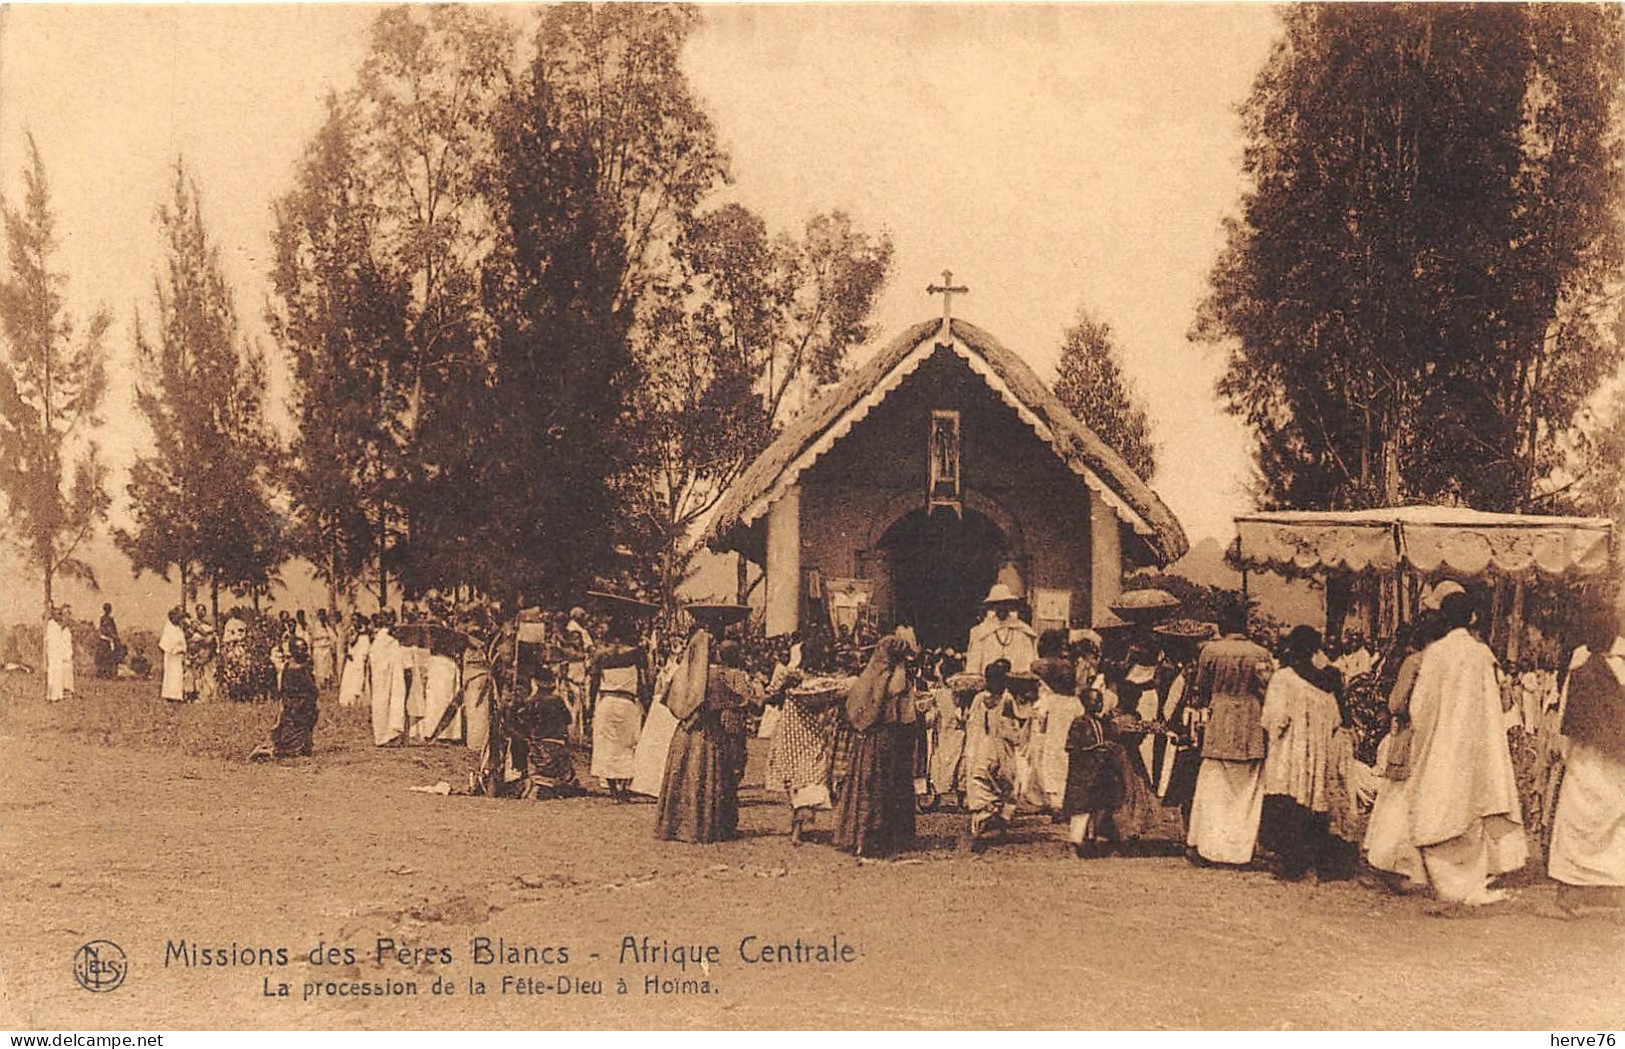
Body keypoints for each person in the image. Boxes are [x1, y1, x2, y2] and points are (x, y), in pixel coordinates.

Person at [1405, 590, 1527, 907]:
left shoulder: (1436, 653)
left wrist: (1426, 734)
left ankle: (1447, 886)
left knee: (1440, 807)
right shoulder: (1481, 654)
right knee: (1472, 807)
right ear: (1472, 617)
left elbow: (1419, 706)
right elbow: (1498, 704)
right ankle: (1472, 885)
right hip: (1476, 745)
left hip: (1443, 744)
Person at [1544, 599, 1625, 918]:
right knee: (1613, 821)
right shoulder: (1590, 660)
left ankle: (1571, 894)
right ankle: (1587, 894)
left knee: (1579, 822)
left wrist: (1561, 748)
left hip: (1593, 754)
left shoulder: (1584, 661)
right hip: (1608, 755)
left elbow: (1566, 709)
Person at [655, 608, 758, 843]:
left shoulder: (683, 675)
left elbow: (667, 699)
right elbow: (738, 700)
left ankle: (676, 826)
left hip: (684, 733)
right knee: (707, 778)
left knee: (682, 777)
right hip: (708, 733)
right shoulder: (715, 676)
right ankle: (702, 827)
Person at [1363, 613, 1446, 892]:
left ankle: (1394, 864)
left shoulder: (1416, 662)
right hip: (1441, 740)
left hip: (1412, 735)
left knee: (1399, 801)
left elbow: (1396, 702)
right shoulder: (1452, 663)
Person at [1184, 618, 1273, 866]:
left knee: (1213, 782)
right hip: (1250, 719)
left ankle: (1206, 845)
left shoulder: (1210, 651)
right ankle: (1239, 849)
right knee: (1248, 785)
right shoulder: (1260, 652)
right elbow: (1268, 689)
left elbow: (1201, 687)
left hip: (1220, 717)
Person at [1258, 626, 1345, 881]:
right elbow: (1336, 720)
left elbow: (1276, 719)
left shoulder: (1284, 678)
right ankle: (1313, 864)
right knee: (1312, 803)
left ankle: (1292, 864)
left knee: (1287, 803)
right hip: (1316, 752)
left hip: (1290, 749)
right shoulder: (1327, 681)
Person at [832, 632, 920, 857]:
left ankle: (860, 837)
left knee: (865, 784)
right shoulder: (895, 678)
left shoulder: (869, 676)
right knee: (883, 784)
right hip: (886, 738)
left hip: (866, 739)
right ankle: (877, 838)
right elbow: (903, 711)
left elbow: (858, 709)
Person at [765, 634, 845, 843]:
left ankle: (798, 825)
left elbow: (771, 693)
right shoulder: (823, 682)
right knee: (812, 774)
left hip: (790, 734)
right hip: (811, 734)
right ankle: (799, 823)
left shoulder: (793, 676)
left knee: (797, 778)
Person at [965, 663, 1038, 844]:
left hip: (980, 748)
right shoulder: (1006, 699)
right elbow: (1012, 727)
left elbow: (971, 722)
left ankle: (984, 815)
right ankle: (999, 818)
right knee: (1008, 784)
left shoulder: (979, 698)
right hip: (999, 750)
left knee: (980, 782)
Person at [589, 615, 651, 801]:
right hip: (627, 702)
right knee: (628, 744)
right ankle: (624, 787)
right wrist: (647, 706)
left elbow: (594, 682)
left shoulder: (601, 654)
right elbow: (643, 683)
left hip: (606, 701)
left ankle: (613, 788)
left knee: (606, 745)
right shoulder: (637, 652)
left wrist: (590, 706)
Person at [1027, 656, 1083, 812]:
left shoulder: (1051, 701)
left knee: (1051, 770)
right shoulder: (1076, 702)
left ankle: (1055, 804)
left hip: (1053, 740)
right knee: (1064, 770)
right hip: (1069, 742)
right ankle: (1061, 803)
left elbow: (1041, 718)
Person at [253, 637, 319, 760]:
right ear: (293, 651)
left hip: (302, 706)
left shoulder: (294, 665)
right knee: (291, 748)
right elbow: (306, 687)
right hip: (297, 706)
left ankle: (297, 746)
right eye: (301, 650)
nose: (304, 652)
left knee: (303, 734)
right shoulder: (296, 668)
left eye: (305, 649)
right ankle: (270, 752)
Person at [965, 584, 1038, 676]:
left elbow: (1028, 664)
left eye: (1005, 603)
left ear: (1009, 605)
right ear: (992, 606)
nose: (1002, 607)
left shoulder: (1022, 631)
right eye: (997, 604)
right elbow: (973, 667)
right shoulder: (980, 632)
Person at [369, 611, 408, 746]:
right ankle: (382, 736)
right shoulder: (381, 638)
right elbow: (376, 661)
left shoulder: (395, 638)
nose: (390, 620)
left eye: (392, 617)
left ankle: (394, 734)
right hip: (382, 677)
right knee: (382, 701)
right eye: (386, 617)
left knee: (396, 699)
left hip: (395, 675)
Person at [338, 612, 371, 708]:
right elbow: (351, 643)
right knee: (351, 678)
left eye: (356, 620)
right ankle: (349, 699)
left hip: (361, 657)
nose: (354, 622)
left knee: (361, 677)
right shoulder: (352, 630)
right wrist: (357, 633)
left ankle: (360, 699)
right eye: (352, 620)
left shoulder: (364, 631)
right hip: (353, 657)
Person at [44, 605, 75, 702]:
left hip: (58, 654)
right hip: (53, 654)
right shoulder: (51, 625)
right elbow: (52, 641)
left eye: (60, 614)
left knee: (60, 674)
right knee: (54, 674)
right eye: (57, 614)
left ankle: (60, 694)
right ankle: (53, 695)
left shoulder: (60, 627)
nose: (59, 616)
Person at [159, 607, 188, 703]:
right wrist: (175, 650)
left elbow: (182, 642)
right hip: (171, 656)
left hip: (178, 656)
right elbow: (166, 644)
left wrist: (182, 649)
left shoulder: (179, 629)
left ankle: (177, 695)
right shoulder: (169, 628)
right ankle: (169, 695)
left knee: (178, 675)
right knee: (170, 675)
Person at [310, 609, 337, 687]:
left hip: (326, 648)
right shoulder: (315, 625)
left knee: (327, 668)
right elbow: (312, 638)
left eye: (323, 615)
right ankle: (319, 685)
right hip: (318, 648)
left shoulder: (327, 625)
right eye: (320, 615)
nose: (322, 616)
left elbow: (333, 637)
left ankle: (327, 684)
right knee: (318, 667)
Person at [96, 603, 122, 679]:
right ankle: (105, 673)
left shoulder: (107, 619)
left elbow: (113, 629)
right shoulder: (105, 619)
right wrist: (114, 636)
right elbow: (107, 630)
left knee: (109, 657)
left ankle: (108, 673)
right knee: (107, 657)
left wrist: (115, 637)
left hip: (108, 639)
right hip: (106, 639)